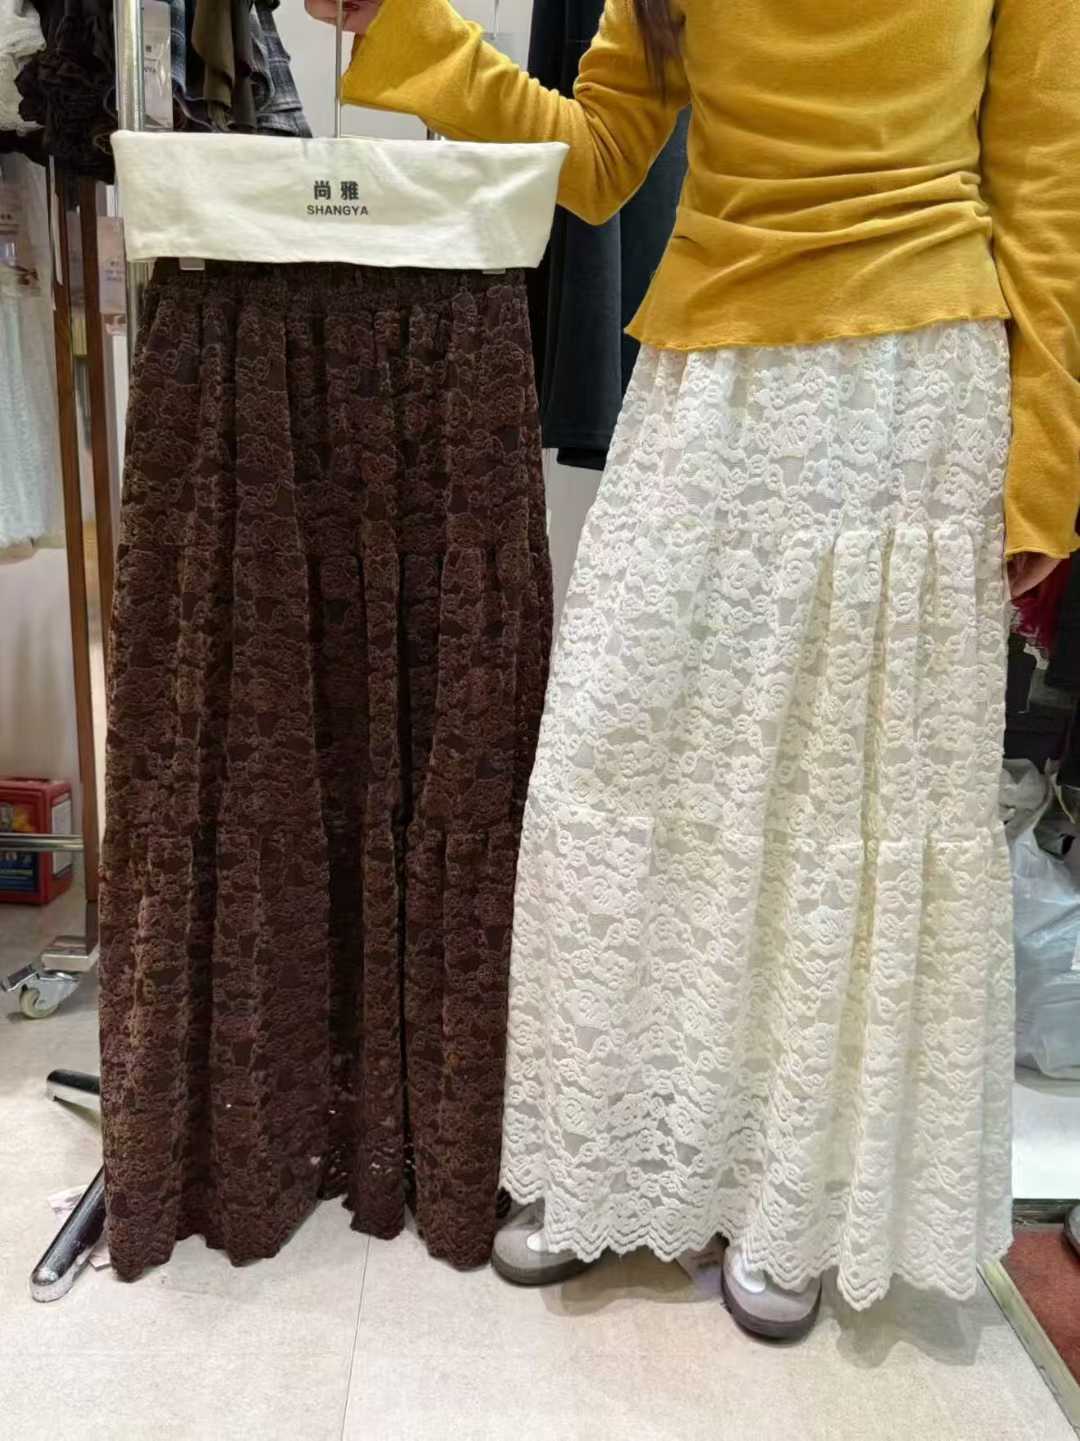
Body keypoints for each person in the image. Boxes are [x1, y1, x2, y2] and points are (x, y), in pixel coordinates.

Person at [309, 0, 1080, 1339]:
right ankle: (612, 1163)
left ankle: (791, 1203)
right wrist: (410, 29)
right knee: (620, 760)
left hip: (916, 385)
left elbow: (1048, 189)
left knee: (837, 817)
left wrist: (1047, 469)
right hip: (709, 375)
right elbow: (602, 153)